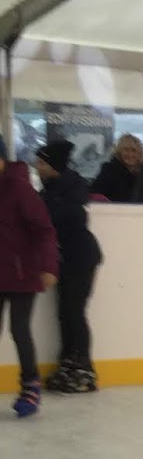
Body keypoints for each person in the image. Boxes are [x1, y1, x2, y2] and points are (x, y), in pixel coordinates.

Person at [35, 141, 104, 394]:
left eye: (42, 163)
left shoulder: (72, 188)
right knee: (64, 312)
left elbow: (70, 216)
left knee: (74, 311)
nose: (38, 167)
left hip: (82, 257)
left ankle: (84, 367)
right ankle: (68, 361)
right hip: (64, 259)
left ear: (55, 165)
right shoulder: (50, 190)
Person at [0, 131, 58, 417]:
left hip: (23, 272)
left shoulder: (20, 189)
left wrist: (48, 265)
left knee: (19, 329)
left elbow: (44, 230)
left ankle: (30, 385)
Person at [91, 134, 143, 203]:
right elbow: (96, 193)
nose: (130, 154)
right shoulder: (109, 170)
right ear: (119, 152)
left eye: (134, 151)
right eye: (126, 150)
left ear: (139, 153)